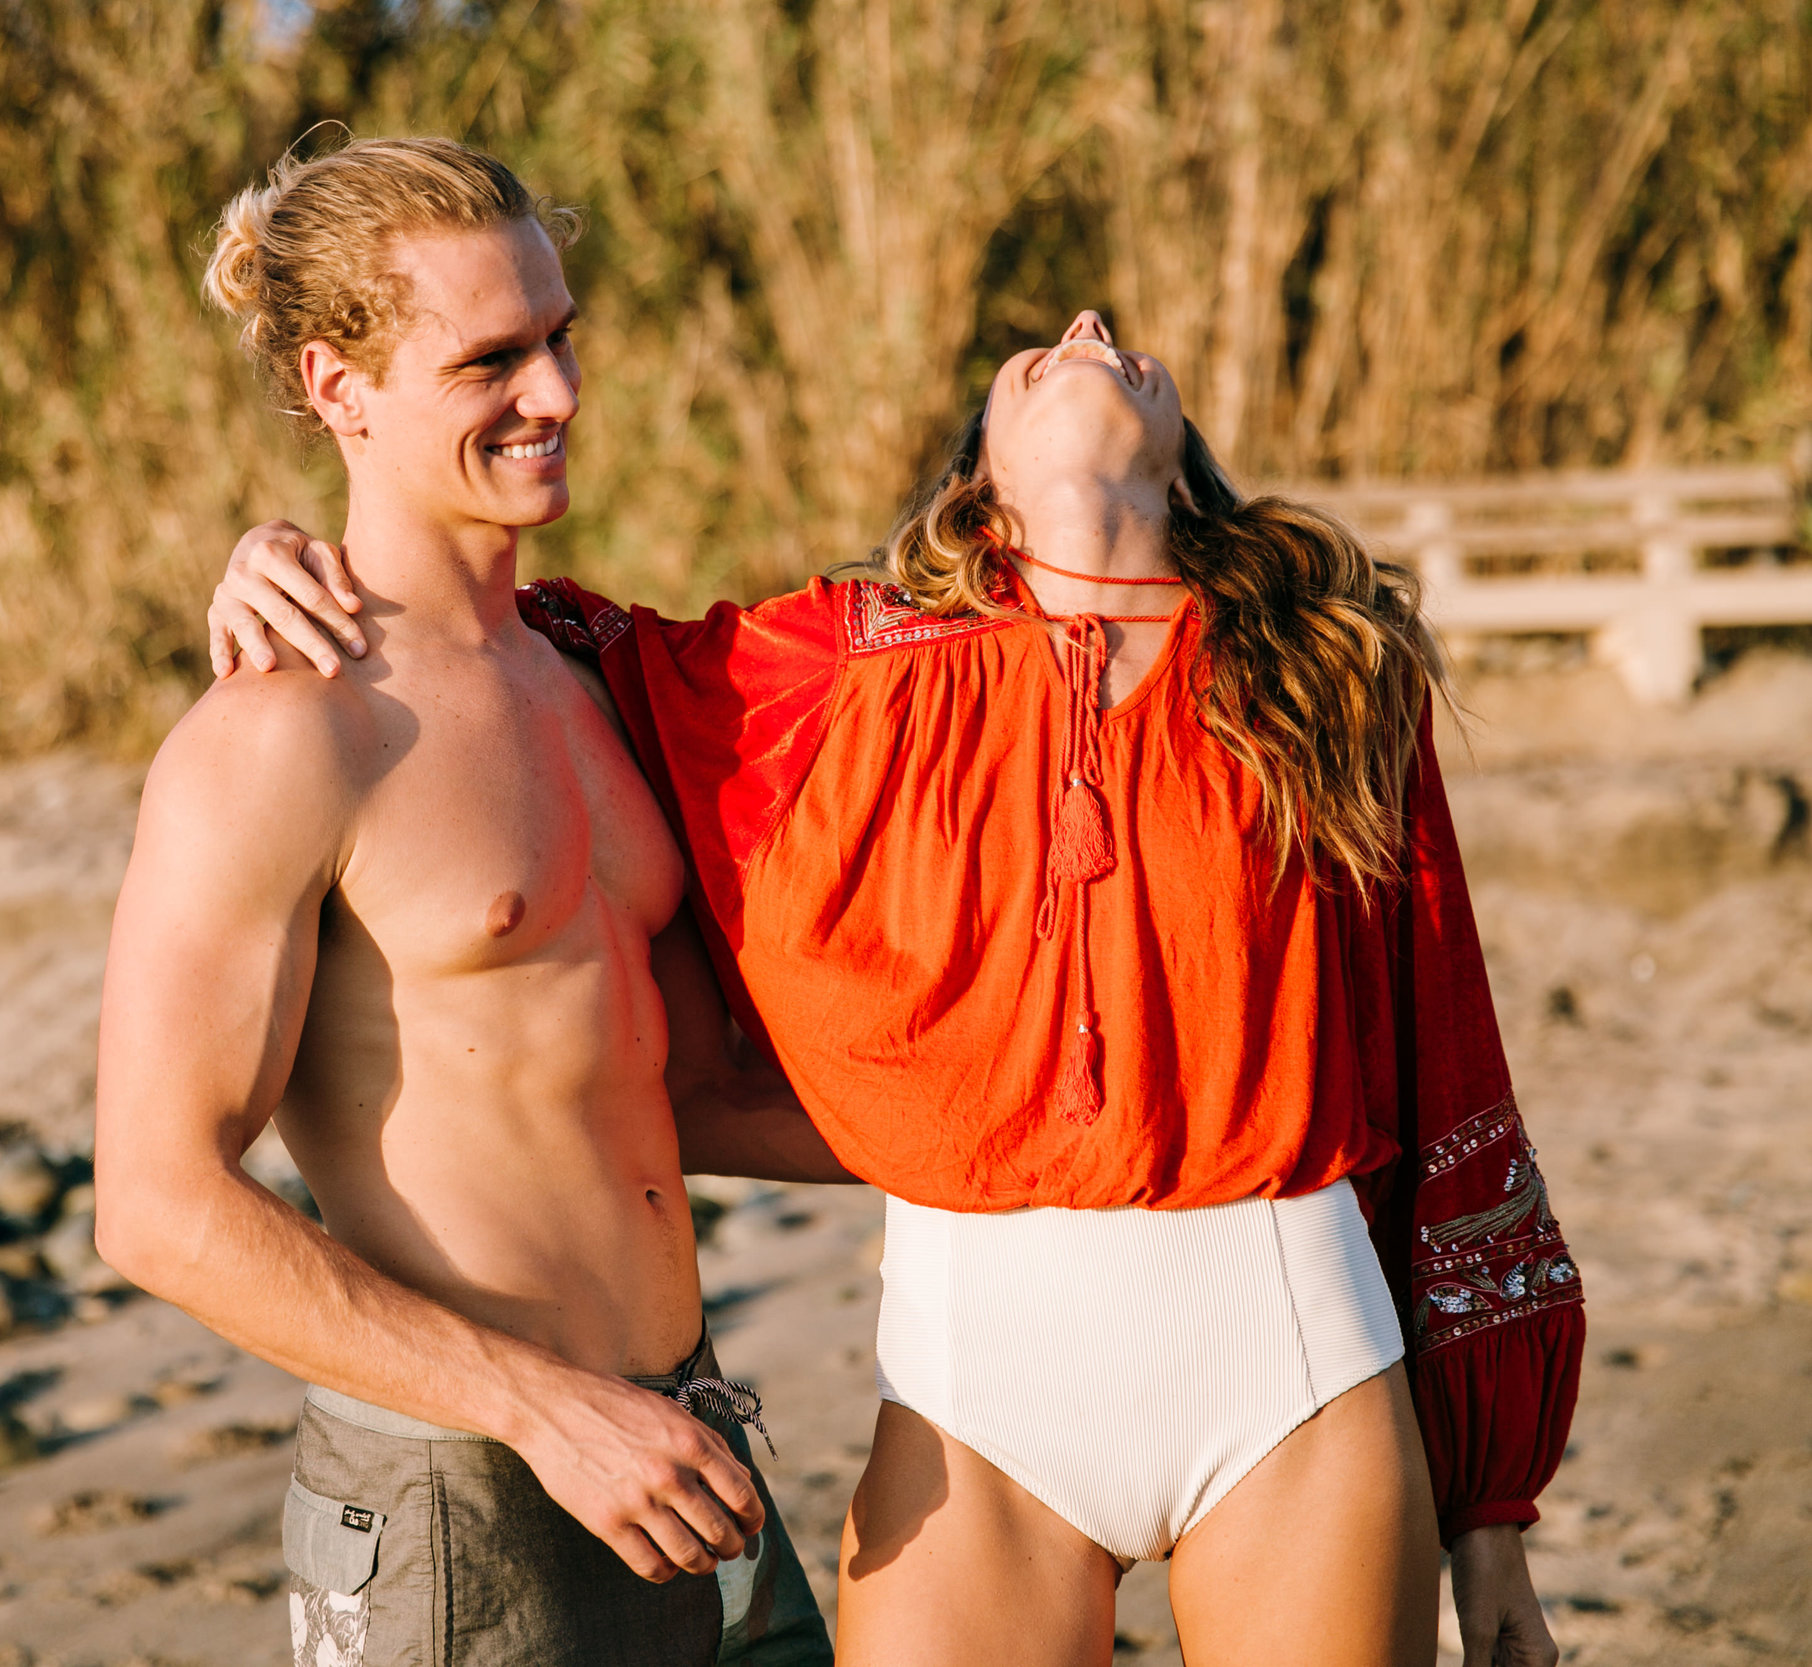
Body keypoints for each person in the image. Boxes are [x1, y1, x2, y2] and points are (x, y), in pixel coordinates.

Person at [210, 309, 1584, 1667]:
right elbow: (517, 637)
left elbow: (1445, 1061)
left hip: (1291, 1356)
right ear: (976, 466)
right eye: (1041, 338)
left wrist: (1491, 1519)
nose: (1088, 322)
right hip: (970, 1404)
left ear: (1183, 449)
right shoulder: (829, 674)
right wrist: (288, 564)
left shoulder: (1323, 668)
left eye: (1120, 338)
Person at [90, 136, 839, 1667]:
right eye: (490, 360)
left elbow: (673, 1085)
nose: (555, 395)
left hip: (688, 1450)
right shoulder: (287, 733)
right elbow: (156, 1204)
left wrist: (1045, 1160)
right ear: (341, 384)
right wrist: (545, 1413)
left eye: (559, 338)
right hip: (462, 1505)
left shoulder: (582, 676)